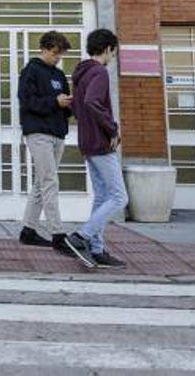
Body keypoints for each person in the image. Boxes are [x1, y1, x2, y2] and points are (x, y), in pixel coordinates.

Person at [63, 29, 129, 270]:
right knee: (120, 197)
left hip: (87, 141)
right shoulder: (99, 72)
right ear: (108, 48)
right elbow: (91, 102)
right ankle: (81, 236)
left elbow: (80, 107)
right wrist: (112, 129)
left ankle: (97, 249)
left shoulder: (81, 72)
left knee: (102, 197)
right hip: (101, 143)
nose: (114, 57)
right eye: (114, 52)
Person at [18, 31, 73, 251]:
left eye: (60, 54)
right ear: (43, 49)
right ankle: (57, 234)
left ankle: (28, 231)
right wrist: (54, 102)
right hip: (38, 132)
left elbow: (64, 106)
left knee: (42, 183)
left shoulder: (59, 76)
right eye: (54, 53)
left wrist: (68, 106)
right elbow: (28, 102)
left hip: (57, 132)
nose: (57, 57)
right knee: (50, 181)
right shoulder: (31, 71)